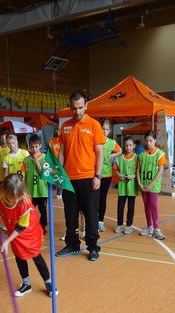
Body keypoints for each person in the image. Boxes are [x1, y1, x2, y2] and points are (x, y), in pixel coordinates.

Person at [56, 90, 107, 261]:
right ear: (70, 107)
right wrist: (59, 175)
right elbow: (62, 152)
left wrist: (97, 176)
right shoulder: (65, 126)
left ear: (86, 106)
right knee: (70, 215)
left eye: (80, 108)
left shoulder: (94, 125)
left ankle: (93, 247)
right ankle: (72, 245)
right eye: (73, 108)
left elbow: (100, 153)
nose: (77, 111)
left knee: (91, 215)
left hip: (89, 178)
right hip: (69, 179)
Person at [0, 174, 56, 297]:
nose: (16, 200)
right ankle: (26, 283)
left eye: (18, 197)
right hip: (12, 225)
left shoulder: (25, 202)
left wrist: (7, 241)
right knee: (19, 254)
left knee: (35, 254)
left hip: (29, 229)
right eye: (12, 197)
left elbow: (21, 226)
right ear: (4, 191)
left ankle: (48, 282)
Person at [137, 130, 167, 240]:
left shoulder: (160, 154)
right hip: (143, 184)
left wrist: (151, 184)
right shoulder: (141, 155)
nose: (148, 143)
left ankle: (156, 229)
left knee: (153, 204)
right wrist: (139, 183)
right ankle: (149, 226)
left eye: (150, 140)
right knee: (146, 205)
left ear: (155, 140)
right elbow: (138, 170)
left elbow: (161, 170)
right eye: (146, 141)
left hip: (153, 185)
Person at [98, 119, 121, 232]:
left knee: (102, 198)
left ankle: (100, 221)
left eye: (107, 129)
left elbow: (120, 151)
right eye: (103, 129)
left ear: (110, 131)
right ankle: (93, 220)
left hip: (106, 175)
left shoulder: (112, 142)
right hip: (95, 174)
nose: (104, 131)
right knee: (94, 198)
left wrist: (112, 156)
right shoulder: (96, 140)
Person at [22, 134, 48, 234]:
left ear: (40, 146)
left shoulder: (45, 158)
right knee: (29, 211)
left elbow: (43, 173)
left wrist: (36, 160)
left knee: (43, 212)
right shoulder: (26, 160)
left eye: (36, 146)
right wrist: (24, 190)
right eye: (32, 147)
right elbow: (23, 176)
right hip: (30, 192)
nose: (34, 149)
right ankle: (30, 228)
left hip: (41, 191)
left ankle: (42, 229)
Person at [113, 135, 138, 234]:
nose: (128, 147)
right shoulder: (120, 158)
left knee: (130, 208)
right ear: (124, 146)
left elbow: (139, 172)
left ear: (134, 146)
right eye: (126, 145)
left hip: (132, 188)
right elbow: (116, 169)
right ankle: (119, 224)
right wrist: (119, 175)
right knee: (120, 207)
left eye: (130, 145)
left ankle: (128, 225)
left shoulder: (137, 158)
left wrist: (133, 176)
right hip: (122, 187)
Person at [48, 127, 62, 198]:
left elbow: (49, 149)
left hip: (55, 160)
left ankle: (58, 190)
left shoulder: (51, 141)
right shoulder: (61, 140)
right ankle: (59, 192)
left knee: (56, 175)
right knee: (59, 175)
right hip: (59, 161)